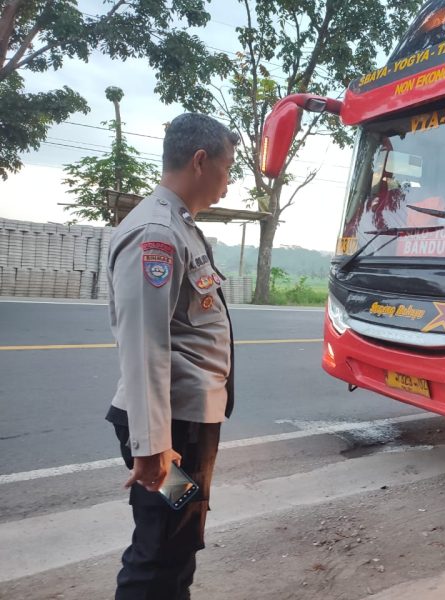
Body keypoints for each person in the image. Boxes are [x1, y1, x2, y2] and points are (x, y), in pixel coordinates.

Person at [105, 112, 238, 599]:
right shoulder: (156, 233)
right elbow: (145, 345)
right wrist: (152, 444)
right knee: (160, 550)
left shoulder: (181, 226)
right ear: (200, 161)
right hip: (171, 434)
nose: (228, 181)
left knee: (180, 539)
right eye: (227, 168)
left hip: (185, 426)